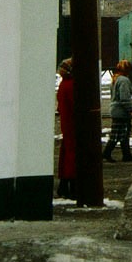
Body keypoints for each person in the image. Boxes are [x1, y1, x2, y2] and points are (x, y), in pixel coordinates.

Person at [102, 59, 132, 162]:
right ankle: (106, 153)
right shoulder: (124, 80)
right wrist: (131, 109)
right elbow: (124, 97)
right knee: (118, 134)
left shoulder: (115, 79)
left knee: (122, 134)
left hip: (115, 110)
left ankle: (126, 154)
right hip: (121, 111)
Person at [55, 58, 76, 199]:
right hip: (74, 125)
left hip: (66, 124)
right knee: (72, 156)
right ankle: (73, 187)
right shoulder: (72, 86)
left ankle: (63, 186)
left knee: (66, 154)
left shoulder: (63, 85)